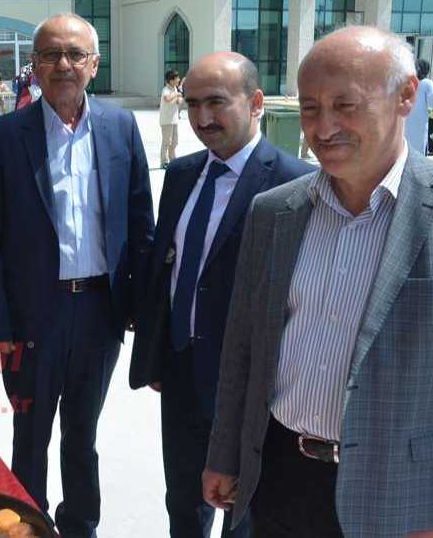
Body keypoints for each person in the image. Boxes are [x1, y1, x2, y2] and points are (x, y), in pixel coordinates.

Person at [203, 26, 433, 537]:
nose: (324, 126)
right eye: (310, 108)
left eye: (346, 105)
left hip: (401, 497)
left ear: (405, 96)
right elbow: (242, 349)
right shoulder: (274, 212)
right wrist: (224, 454)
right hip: (279, 480)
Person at [0, 13, 154, 538]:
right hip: (32, 315)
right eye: (51, 55)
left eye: (75, 54)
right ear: (34, 65)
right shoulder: (3, 137)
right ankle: (26, 525)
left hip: (99, 312)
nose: (63, 65)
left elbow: (139, 222)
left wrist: (139, 306)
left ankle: (80, 526)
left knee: (82, 433)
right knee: (30, 433)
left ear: (94, 64)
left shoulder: (120, 128)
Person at [128, 53, 312, 538]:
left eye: (216, 102)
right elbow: (166, 268)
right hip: (182, 371)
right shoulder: (181, 174)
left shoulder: (295, 183)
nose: (202, 118)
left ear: (255, 103)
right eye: (191, 104)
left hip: (250, 384)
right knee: (183, 501)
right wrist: (158, 352)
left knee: (242, 508)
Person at [406, 58, 433, 156]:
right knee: (419, 147)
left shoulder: (409, 81)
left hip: (407, 115)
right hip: (420, 119)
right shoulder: (427, 83)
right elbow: (431, 103)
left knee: (408, 144)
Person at [159, 69, 185, 168]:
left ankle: (172, 160)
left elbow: (178, 101)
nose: (178, 80)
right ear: (171, 80)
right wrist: (177, 95)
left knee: (174, 142)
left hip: (174, 120)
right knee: (167, 141)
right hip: (166, 120)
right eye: (177, 78)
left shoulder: (175, 89)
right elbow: (167, 99)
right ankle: (164, 162)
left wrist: (180, 99)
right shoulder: (165, 90)